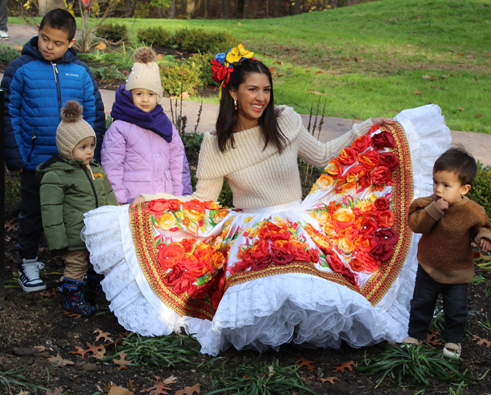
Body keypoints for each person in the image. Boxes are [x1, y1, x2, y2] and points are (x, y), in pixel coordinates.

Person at [82, 44, 452, 356]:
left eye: (266, 90)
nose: (261, 98)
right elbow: (204, 199)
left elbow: (323, 156)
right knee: (266, 270)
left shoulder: (285, 121)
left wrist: (365, 130)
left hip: (298, 219)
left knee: (307, 266)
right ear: (233, 93)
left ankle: (304, 328)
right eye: (252, 90)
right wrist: (154, 200)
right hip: (250, 226)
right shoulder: (216, 143)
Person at [2, 8, 105, 292]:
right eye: (45, 38)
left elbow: (95, 115)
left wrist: (92, 154)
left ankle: (76, 263)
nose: (49, 46)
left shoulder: (81, 73)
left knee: (73, 213)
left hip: (72, 164)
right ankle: (28, 260)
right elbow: (8, 115)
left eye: (57, 42)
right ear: (38, 30)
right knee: (33, 212)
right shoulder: (20, 69)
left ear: (71, 43)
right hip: (35, 161)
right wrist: (17, 157)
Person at [403, 146, 491, 359]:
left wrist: (484, 237)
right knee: (421, 303)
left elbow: (482, 226)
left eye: (446, 185)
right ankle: (416, 335)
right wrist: (434, 210)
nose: (438, 189)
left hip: (457, 273)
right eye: (436, 182)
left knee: (456, 309)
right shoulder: (427, 204)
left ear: (464, 189)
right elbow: (416, 225)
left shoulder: (473, 211)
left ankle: (453, 341)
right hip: (429, 268)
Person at [37, 101, 118, 315]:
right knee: (76, 265)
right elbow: (51, 211)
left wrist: (115, 222)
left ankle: (92, 291)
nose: (90, 152)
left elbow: (108, 197)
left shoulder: (96, 169)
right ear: (67, 148)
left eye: (92, 146)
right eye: (83, 147)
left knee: (96, 263)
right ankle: (71, 298)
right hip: (74, 236)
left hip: (97, 232)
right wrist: (58, 243)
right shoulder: (56, 175)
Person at [101, 47, 192, 204]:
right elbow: (112, 167)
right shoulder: (120, 128)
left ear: (158, 96)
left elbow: (178, 165)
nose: (145, 99)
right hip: (134, 202)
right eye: (138, 94)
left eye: (150, 94)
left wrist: (182, 197)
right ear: (130, 94)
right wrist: (118, 199)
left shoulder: (166, 127)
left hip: (165, 201)